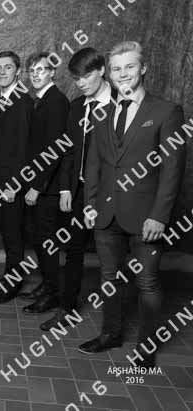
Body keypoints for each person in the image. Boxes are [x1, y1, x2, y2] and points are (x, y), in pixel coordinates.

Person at [80, 41, 185, 367]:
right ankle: (110, 334)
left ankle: (146, 347)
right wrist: (89, 204)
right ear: (109, 74)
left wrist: (160, 216)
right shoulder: (102, 114)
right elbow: (94, 164)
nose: (122, 73)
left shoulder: (166, 111)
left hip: (146, 218)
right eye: (116, 68)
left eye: (129, 66)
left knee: (147, 282)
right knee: (108, 277)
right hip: (106, 214)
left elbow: (172, 170)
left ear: (143, 68)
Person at [41, 48, 116, 331]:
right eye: (76, 78)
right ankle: (67, 308)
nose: (81, 83)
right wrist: (65, 189)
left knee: (112, 255)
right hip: (79, 190)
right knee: (73, 250)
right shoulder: (76, 106)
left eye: (86, 76)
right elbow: (69, 152)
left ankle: (113, 324)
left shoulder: (122, 104)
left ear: (102, 71)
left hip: (111, 192)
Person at [21, 52, 70, 314]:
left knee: (47, 240)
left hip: (47, 188)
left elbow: (55, 150)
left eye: (41, 70)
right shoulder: (39, 100)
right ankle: (46, 284)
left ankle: (52, 294)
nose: (36, 75)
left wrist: (37, 186)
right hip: (38, 183)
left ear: (52, 72)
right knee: (39, 239)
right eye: (32, 71)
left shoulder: (56, 101)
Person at [0, 51, 33, 302]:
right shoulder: (0, 100)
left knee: (14, 236)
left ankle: (12, 284)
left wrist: (15, 184)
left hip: (13, 183)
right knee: (6, 231)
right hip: (0, 180)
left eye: (8, 67)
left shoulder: (22, 102)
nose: (2, 72)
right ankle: (8, 276)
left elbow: (24, 147)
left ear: (18, 72)